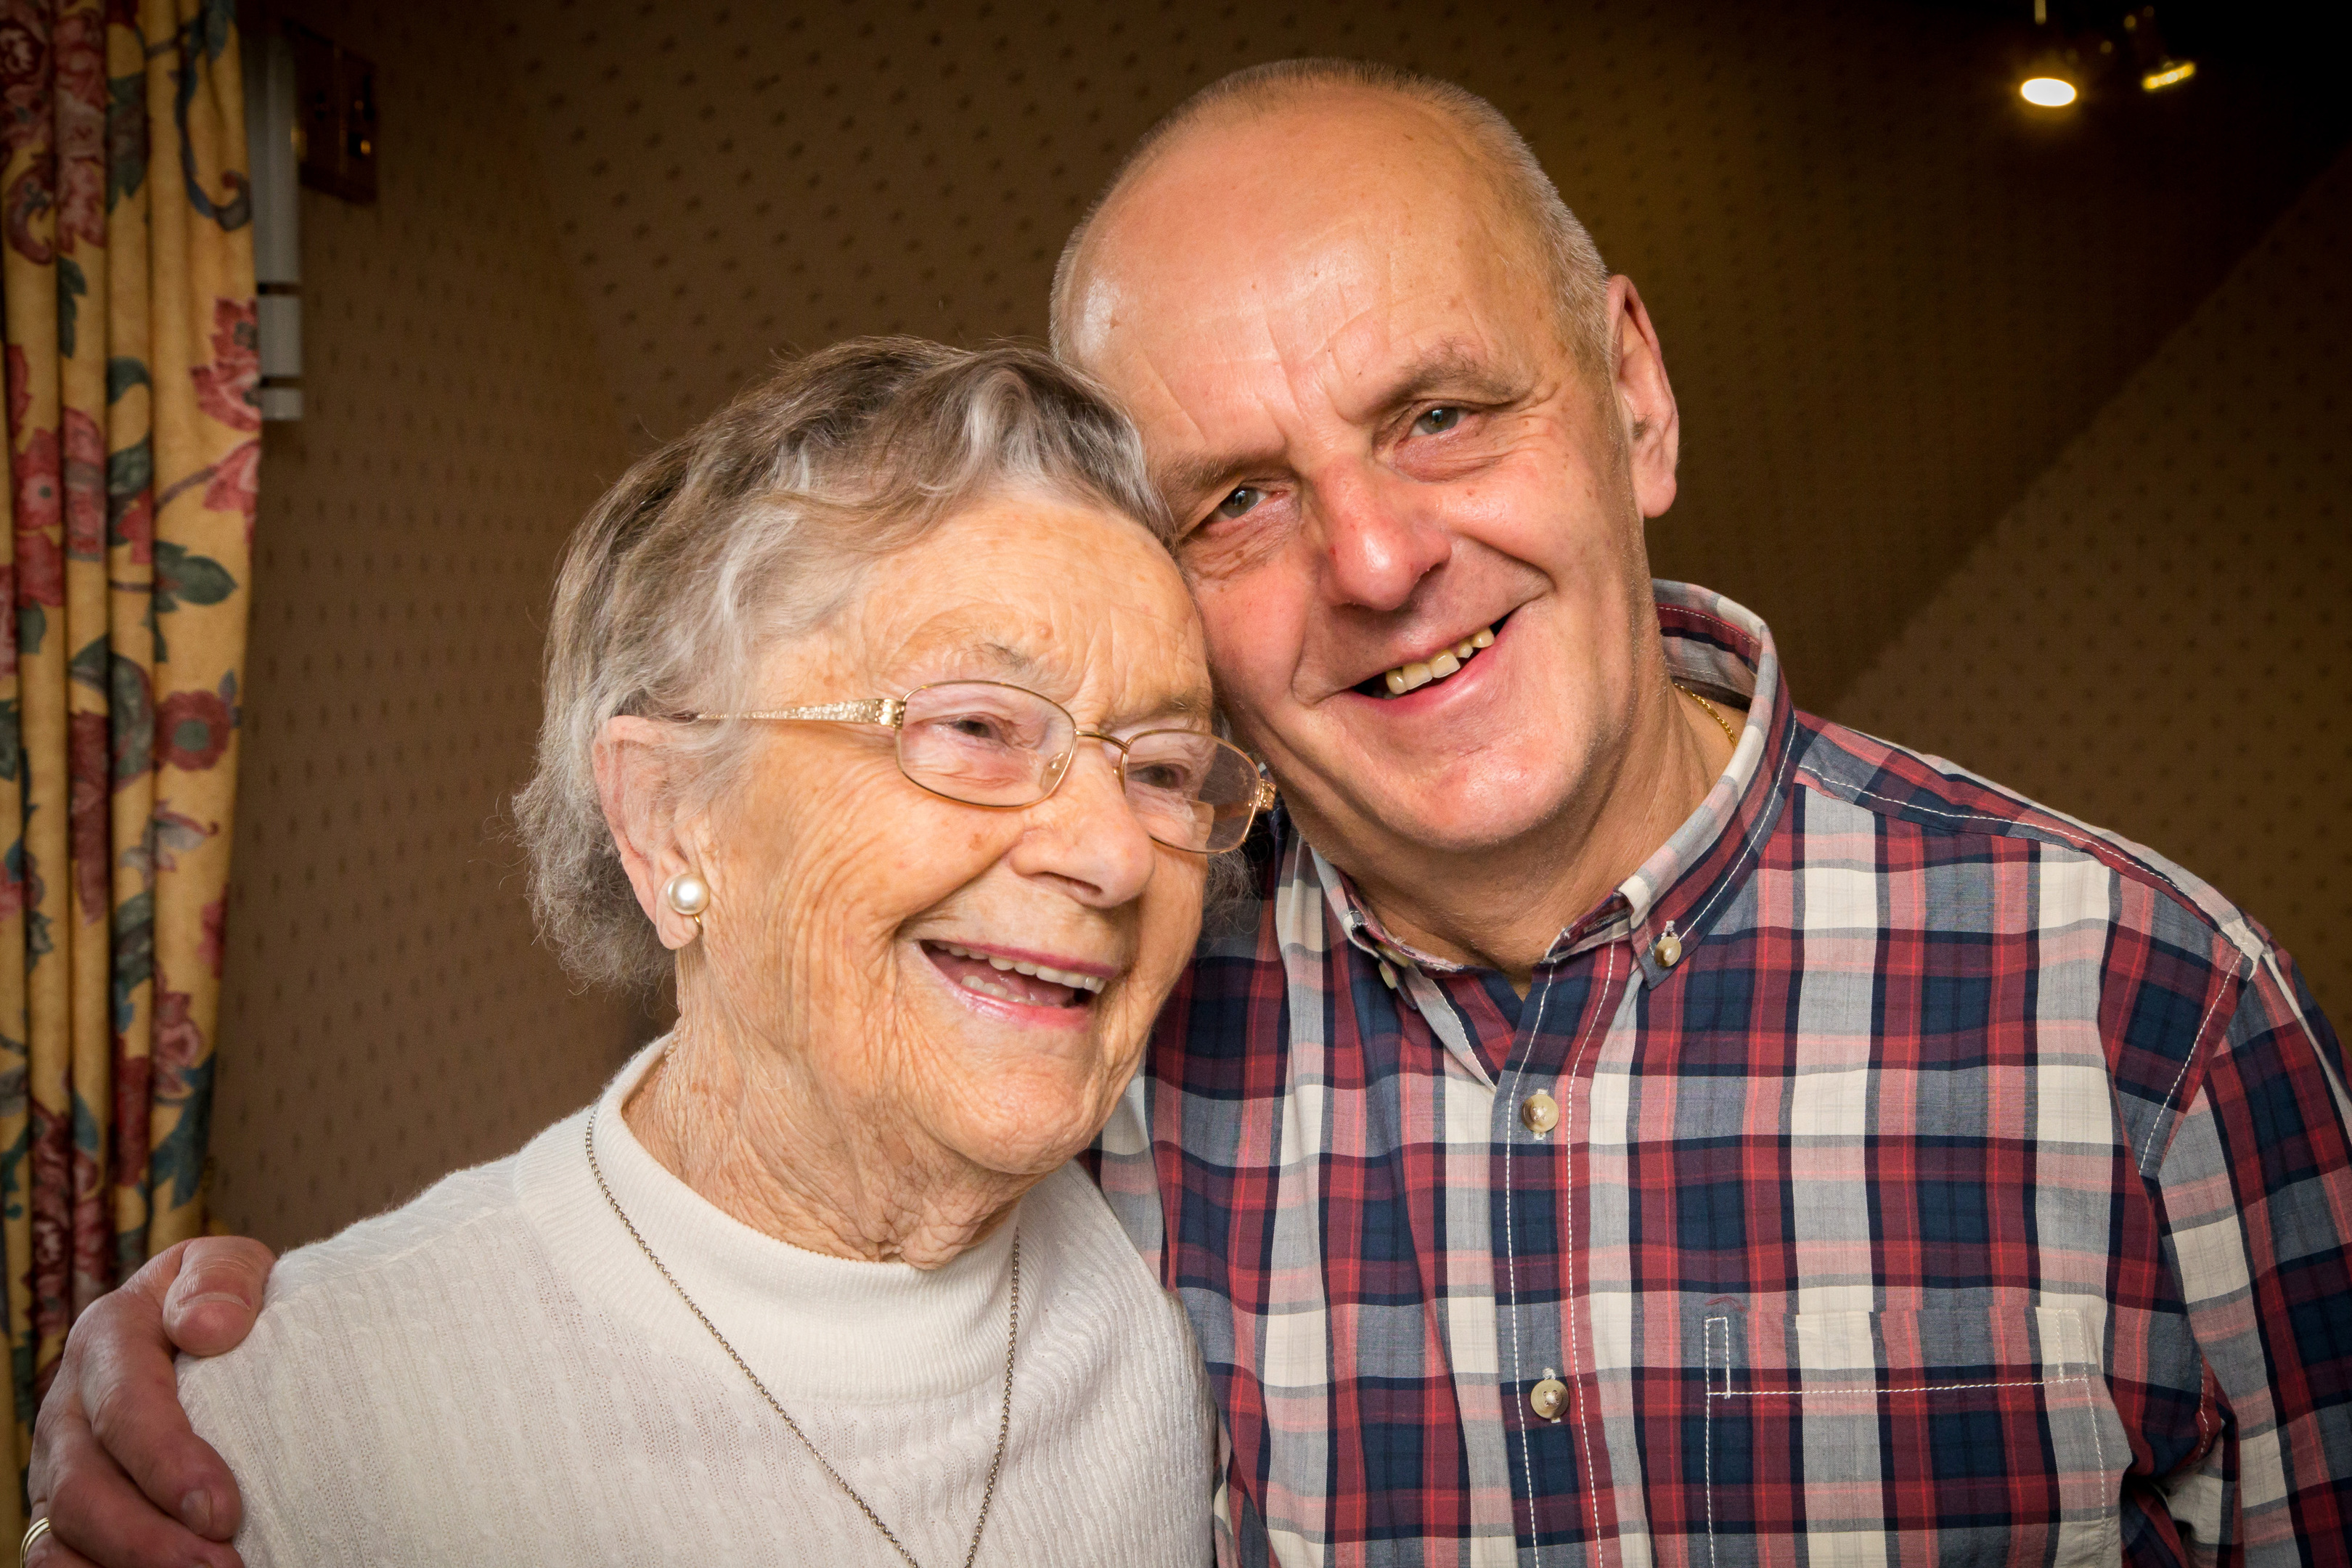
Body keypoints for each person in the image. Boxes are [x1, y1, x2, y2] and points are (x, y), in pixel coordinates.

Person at [33, 58, 2352, 1568]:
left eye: (1444, 412)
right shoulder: (1093, 1020)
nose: (1369, 561)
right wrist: (243, 1371)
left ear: (1632, 398)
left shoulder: (2145, 1016)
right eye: (1240, 498)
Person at [26, 337, 1280, 1564]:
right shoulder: (289, 1433)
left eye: (1164, 769)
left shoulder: (1198, 1266)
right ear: (667, 814)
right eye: (973, 727)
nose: (1115, 856)